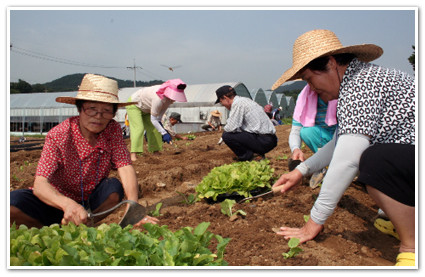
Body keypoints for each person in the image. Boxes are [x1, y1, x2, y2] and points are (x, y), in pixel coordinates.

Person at [271, 29, 415, 266]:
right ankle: (407, 217)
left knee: (374, 161)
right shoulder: (358, 81)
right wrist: (301, 171)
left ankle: (413, 246)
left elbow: (347, 157)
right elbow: (340, 141)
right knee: (376, 158)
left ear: (331, 63)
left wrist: (313, 222)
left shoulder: (361, 85)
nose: (311, 88)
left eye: (309, 79)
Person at [10, 74, 159, 228]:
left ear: (113, 113)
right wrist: (67, 205)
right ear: (80, 109)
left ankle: (84, 225)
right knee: (12, 203)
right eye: (92, 109)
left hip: (89, 203)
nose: (98, 117)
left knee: (113, 187)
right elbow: (41, 184)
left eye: (106, 111)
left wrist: (133, 208)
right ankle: (51, 228)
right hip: (56, 201)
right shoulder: (59, 134)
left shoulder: (112, 129)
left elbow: (125, 166)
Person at [125, 79, 187, 161]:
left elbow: (158, 117)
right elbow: (153, 119)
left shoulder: (168, 101)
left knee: (155, 129)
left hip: (147, 108)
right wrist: (164, 133)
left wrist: (161, 129)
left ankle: (155, 151)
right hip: (135, 104)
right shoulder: (158, 98)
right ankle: (133, 154)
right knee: (139, 128)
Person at [289, 84, 337, 188]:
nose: (312, 84)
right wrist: (296, 149)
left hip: (345, 138)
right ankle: (326, 165)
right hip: (324, 140)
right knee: (307, 132)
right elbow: (296, 130)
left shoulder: (341, 93)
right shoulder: (305, 97)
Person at [216, 85, 277, 161]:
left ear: (225, 98)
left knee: (227, 135)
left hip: (264, 140)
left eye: (222, 102)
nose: (223, 105)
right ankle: (257, 154)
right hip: (270, 139)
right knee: (237, 133)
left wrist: (223, 137)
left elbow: (231, 127)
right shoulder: (245, 100)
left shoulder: (237, 104)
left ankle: (251, 157)